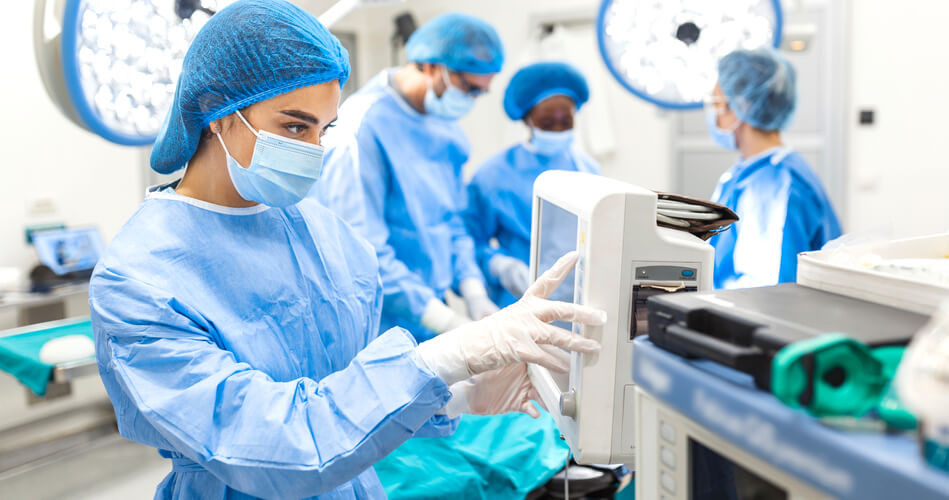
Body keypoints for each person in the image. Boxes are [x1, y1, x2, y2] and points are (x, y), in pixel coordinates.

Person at [87, 2, 604, 498]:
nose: (313, 151)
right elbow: (283, 442)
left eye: (323, 128)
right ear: (214, 111)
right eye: (293, 126)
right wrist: (451, 352)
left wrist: (464, 394)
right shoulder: (139, 280)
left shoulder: (327, 237)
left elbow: (348, 389)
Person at [309, 13, 503, 342]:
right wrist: (446, 322)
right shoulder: (362, 129)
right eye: (468, 87)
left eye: (479, 93)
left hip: (429, 308)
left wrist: (474, 292)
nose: (470, 100)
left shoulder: (447, 130)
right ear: (431, 66)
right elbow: (363, 252)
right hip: (376, 320)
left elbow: (451, 221)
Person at [705, 48, 842, 289]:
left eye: (717, 103)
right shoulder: (749, 173)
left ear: (741, 106)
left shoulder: (773, 185)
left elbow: (764, 294)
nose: (713, 114)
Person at [464, 62, 598, 307]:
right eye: (548, 123)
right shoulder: (494, 174)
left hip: (578, 301)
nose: (558, 128)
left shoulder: (587, 169)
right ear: (527, 119)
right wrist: (499, 265)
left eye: (566, 121)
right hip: (518, 300)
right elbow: (468, 240)